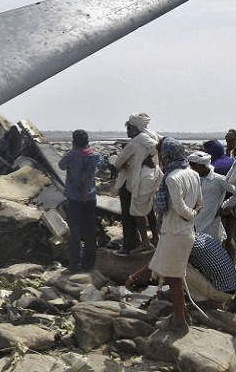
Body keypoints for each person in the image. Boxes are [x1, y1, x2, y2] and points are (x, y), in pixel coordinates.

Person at [126, 138, 201, 334]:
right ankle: (183, 313)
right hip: (186, 232)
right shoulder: (192, 173)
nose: (159, 158)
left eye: (161, 154)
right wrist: (193, 215)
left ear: (166, 155)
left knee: (173, 278)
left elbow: (179, 207)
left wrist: (189, 214)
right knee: (176, 274)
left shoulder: (172, 178)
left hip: (174, 232)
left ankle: (180, 322)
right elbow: (200, 202)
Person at [112, 113, 161, 254]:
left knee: (130, 215)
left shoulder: (134, 143)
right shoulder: (154, 138)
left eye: (129, 129)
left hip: (131, 183)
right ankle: (155, 238)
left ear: (134, 129)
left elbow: (118, 162)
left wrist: (128, 163)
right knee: (149, 211)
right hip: (151, 180)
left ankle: (131, 244)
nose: (127, 132)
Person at [58, 129, 102, 272]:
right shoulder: (94, 155)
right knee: (90, 231)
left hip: (74, 197)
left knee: (75, 231)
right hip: (90, 197)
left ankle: (74, 263)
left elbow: (61, 165)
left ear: (74, 142)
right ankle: (89, 264)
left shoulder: (71, 155)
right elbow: (100, 165)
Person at [188, 152, 236, 256]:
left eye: (194, 167)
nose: (192, 169)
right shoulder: (194, 178)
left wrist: (225, 206)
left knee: (216, 251)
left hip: (211, 224)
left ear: (201, 166)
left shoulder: (218, 179)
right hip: (196, 222)